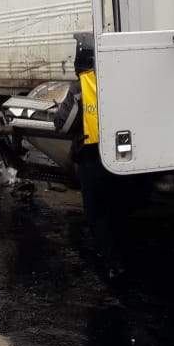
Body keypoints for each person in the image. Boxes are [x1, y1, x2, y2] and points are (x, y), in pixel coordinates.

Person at [54, 34, 129, 279]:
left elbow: (63, 125)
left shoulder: (81, 88)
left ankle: (112, 263)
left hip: (92, 158)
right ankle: (125, 257)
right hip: (122, 155)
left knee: (97, 213)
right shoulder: (123, 80)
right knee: (118, 208)